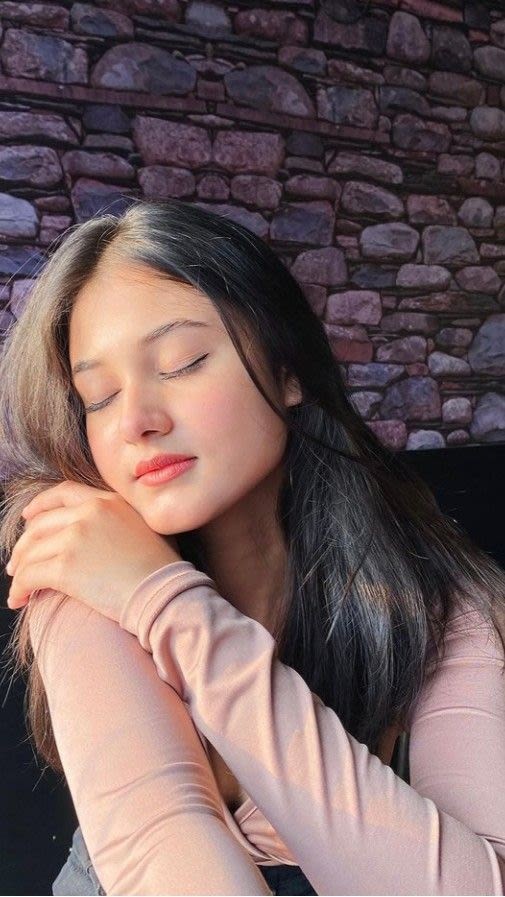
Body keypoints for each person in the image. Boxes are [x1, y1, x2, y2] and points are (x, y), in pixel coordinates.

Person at [1, 198, 504, 895]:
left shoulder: (442, 600)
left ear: (287, 369)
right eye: (99, 396)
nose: (136, 420)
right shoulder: (79, 568)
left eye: (181, 362)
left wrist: (168, 603)